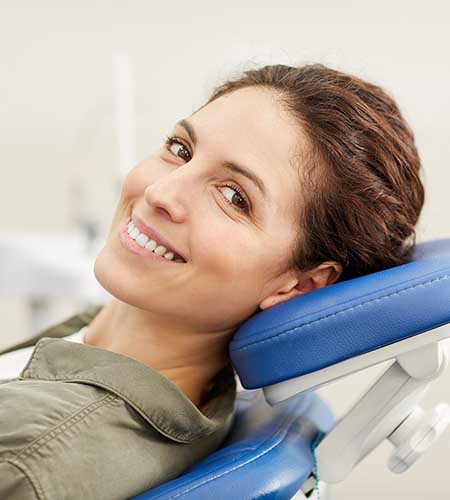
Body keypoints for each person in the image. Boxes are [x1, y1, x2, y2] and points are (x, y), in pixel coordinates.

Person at [0, 63, 425, 499]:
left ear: (300, 285)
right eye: (180, 149)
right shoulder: (159, 378)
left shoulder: (27, 460)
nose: (160, 193)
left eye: (234, 197)